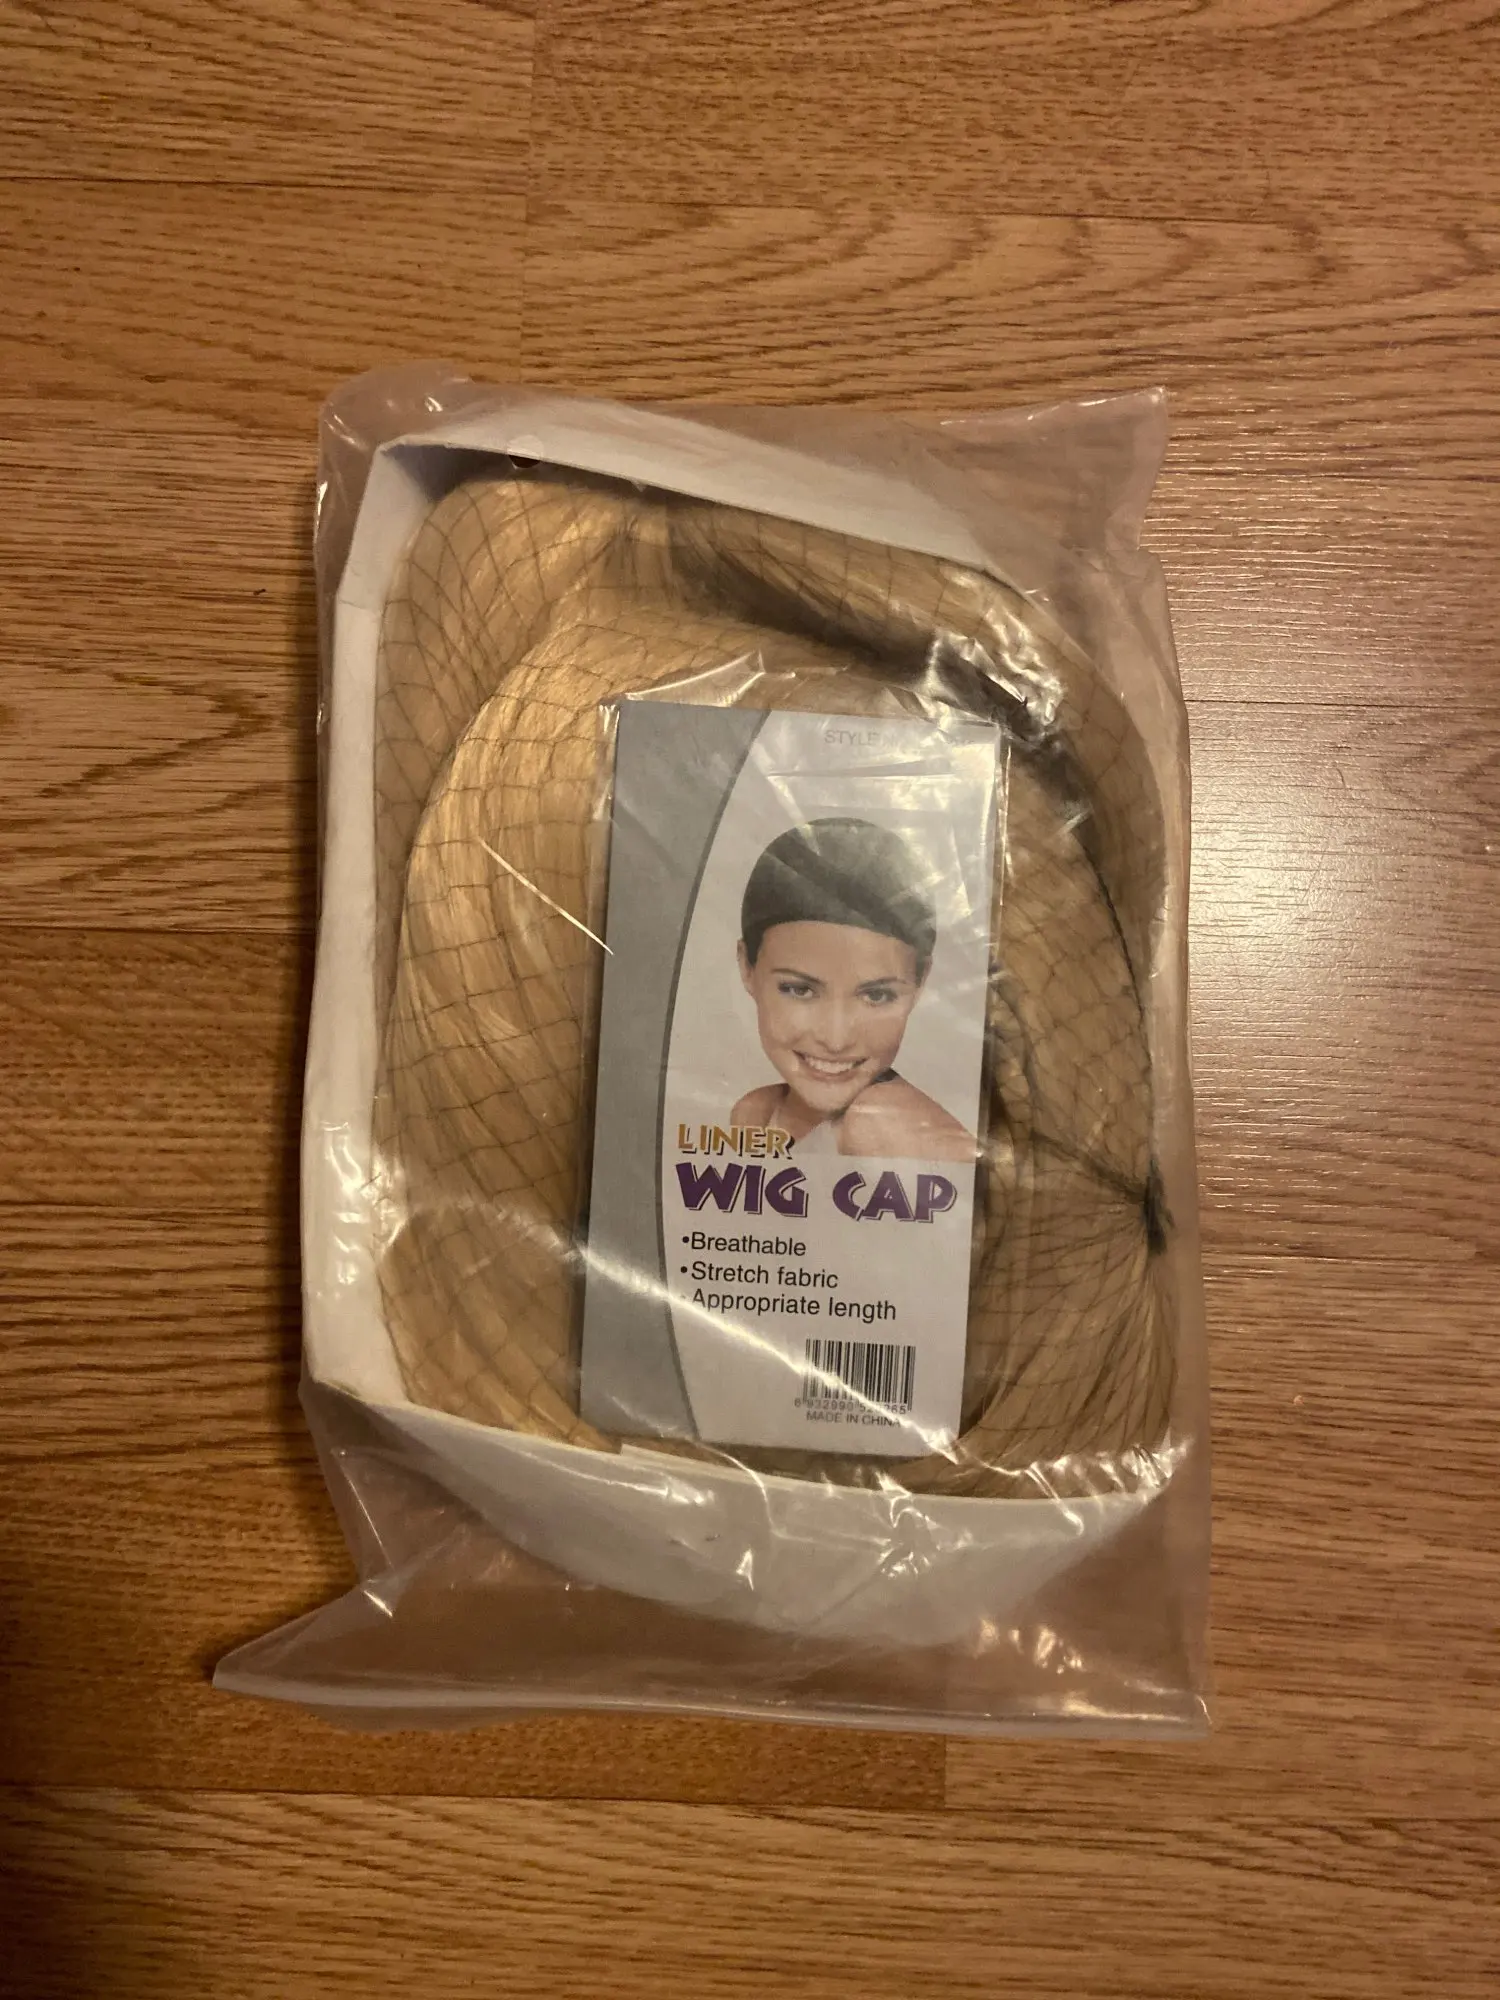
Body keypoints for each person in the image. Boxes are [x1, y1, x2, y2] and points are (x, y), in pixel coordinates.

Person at [730, 817, 976, 1161]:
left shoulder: (879, 1124)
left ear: (920, 982)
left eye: (876, 995)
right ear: (747, 966)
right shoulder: (756, 1112)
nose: (836, 1040)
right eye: (800, 990)